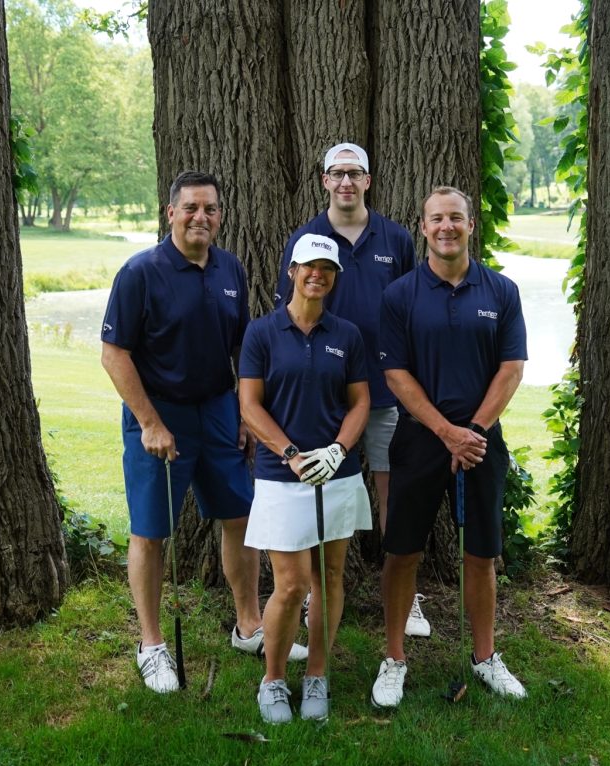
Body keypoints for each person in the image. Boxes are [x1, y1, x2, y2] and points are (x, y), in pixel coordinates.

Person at [100, 170, 306, 694]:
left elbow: (244, 349)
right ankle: (151, 645)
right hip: (159, 415)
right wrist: (150, 422)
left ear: (220, 216)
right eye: (190, 207)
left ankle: (249, 625)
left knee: (240, 517)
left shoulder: (230, 268)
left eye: (210, 208)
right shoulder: (140, 273)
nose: (200, 217)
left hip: (218, 411)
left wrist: (244, 412)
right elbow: (114, 353)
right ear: (170, 212)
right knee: (151, 531)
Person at [370, 186, 529, 708]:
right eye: (436, 219)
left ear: (470, 225)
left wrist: (473, 432)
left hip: (480, 442)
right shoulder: (400, 295)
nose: (446, 227)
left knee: (481, 554)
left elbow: (511, 369)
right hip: (420, 439)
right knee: (402, 553)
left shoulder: (501, 291)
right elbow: (396, 375)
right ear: (423, 227)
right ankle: (394, 659)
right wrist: (446, 433)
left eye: (456, 218)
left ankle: (485, 657)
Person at [276, 142, 432, 638]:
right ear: (324, 180)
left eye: (355, 173)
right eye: (337, 173)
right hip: (325, 396)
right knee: (317, 491)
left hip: (386, 392)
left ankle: (405, 598)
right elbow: (288, 316)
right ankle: (312, 592)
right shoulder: (305, 238)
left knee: (394, 496)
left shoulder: (396, 239)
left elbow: (414, 312)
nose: (346, 182)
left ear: (368, 180)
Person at [240, 233, 372, 723]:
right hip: (282, 475)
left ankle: (317, 673)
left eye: (327, 268)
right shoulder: (262, 333)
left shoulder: (348, 335)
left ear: (335, 276)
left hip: (337, 472)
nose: (318, 274)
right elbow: (250, 405)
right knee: (293, 584)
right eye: (309, 266)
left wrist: (338, 449)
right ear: (292, 271)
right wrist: (292, 454)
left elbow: (360, 402)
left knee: (330, 577)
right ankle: (273, 680)